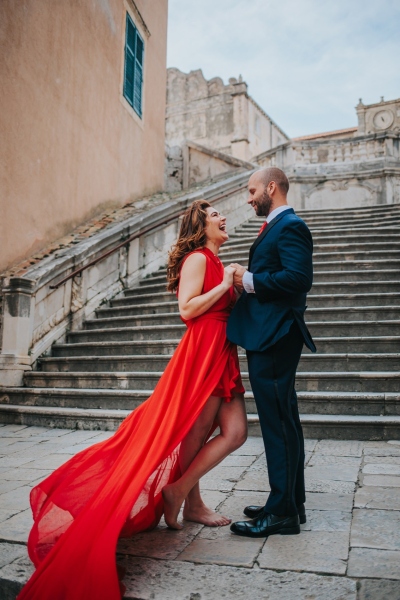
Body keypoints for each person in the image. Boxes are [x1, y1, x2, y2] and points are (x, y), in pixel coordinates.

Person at [18, 200, 247, 600]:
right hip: (203, 350)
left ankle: (182, 493)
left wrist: (236, 288)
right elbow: (187, 308)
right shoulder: (198, 257)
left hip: (221, 349)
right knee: (200, 431)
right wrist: (227, 285)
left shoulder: (217, 260)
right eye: (214, 215)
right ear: (199, 224)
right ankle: (187, 499)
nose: (223, 217)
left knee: (233, 432)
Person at [227, 167, 316, 538]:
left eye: (252, 191)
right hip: (273, 333)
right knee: (285, 419)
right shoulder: (277, 226)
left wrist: (248, 280)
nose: (249, 198)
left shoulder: (291, 226)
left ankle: (281, 514)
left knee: (277, 423)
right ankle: (290, 502)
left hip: (276, 335)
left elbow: (299, 280)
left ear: (272, 187)